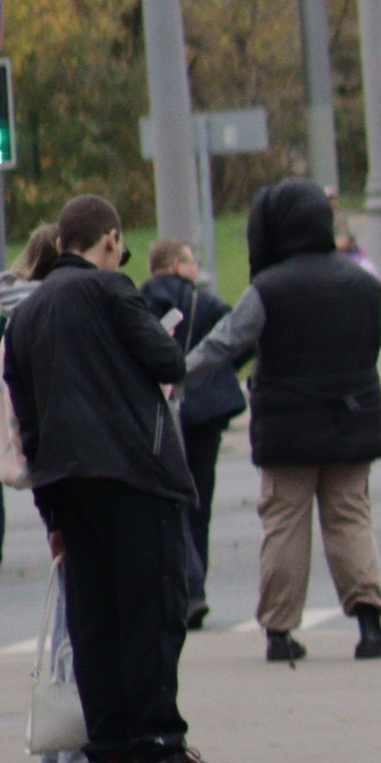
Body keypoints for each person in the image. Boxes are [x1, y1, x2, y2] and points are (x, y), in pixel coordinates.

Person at [0, 193, 240, 763]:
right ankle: (158, 746)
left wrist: (50, 512)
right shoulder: (111, 291)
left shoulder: (27, 316)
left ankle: (111, 758)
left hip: (66, 486)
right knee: (151, 612)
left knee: (95, 620)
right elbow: (167, 361)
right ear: (109, 239)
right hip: (133, 473)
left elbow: (28, 425)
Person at [180, 178, 381, 664]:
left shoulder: (269, 289)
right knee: (350, 519)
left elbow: (226, 342)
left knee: (285, 525)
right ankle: (370, 625)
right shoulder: (363, 283)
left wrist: (177, 371)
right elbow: (373, 344)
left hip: (286, 426)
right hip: (352, 418)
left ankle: (280, 631)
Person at [140, 236, 246, 632]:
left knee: (172, 501)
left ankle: (185, 589)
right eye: (189, 261)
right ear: (174, 265)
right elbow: (239, 337)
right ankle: (196, 587)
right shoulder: (206, 303)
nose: (195, 268)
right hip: (208, 409)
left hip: (162, 411)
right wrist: (222, 374)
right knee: (200, 500)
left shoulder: (140, 303)